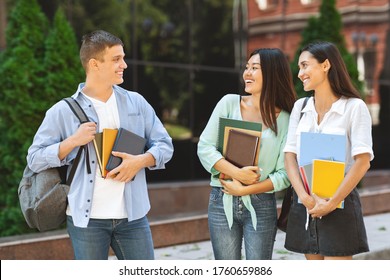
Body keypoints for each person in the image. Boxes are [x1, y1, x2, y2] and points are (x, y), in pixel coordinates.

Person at [27, 30, 174, 260]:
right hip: (87, 221)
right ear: (94, 64)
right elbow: (34, 158)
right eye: (116, 59)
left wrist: (141, 161)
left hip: (133, 218)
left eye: (123, 58)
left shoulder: (136, 102)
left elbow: (165, 145)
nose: (124, 65)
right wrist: (72, 142)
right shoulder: (62, 111)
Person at [197, 48, 297, 260]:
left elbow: (284, 174)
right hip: (221, 198)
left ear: (272, 73)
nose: (247, 73)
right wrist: (238, 173)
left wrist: (247, 189)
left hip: (261, 203)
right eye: (246, 67)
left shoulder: (286, 119)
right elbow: (205, 147)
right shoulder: (229, 103)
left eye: (255, 68)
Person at [283, 41, 374, 260]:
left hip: (339, 202)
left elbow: (363, 161)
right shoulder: (300, 107)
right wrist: (304, 198)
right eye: (299, 67)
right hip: (306, 203)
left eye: (305, 65)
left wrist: (331, 202)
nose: (300, 73)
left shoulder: (354, 107)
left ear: (325, 65)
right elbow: (289, 156)